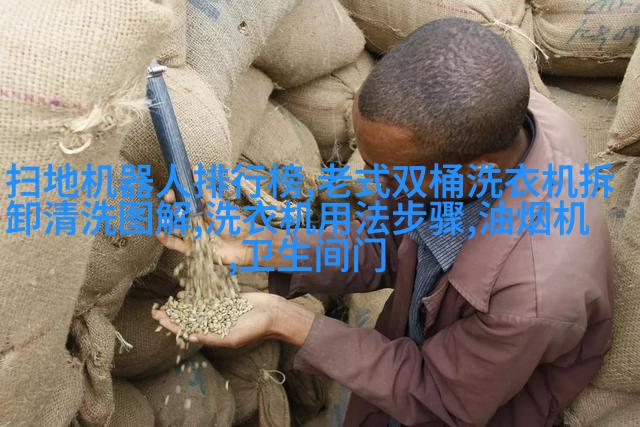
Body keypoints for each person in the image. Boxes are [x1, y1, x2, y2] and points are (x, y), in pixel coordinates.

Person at [154, 18, 613, 427]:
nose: (371, 181)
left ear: (473, 172)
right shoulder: (501, 123)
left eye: (389, 174)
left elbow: (438, 397)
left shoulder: (532, 299)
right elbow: (385, 240)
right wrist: (260, 244)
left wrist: (287, 321)